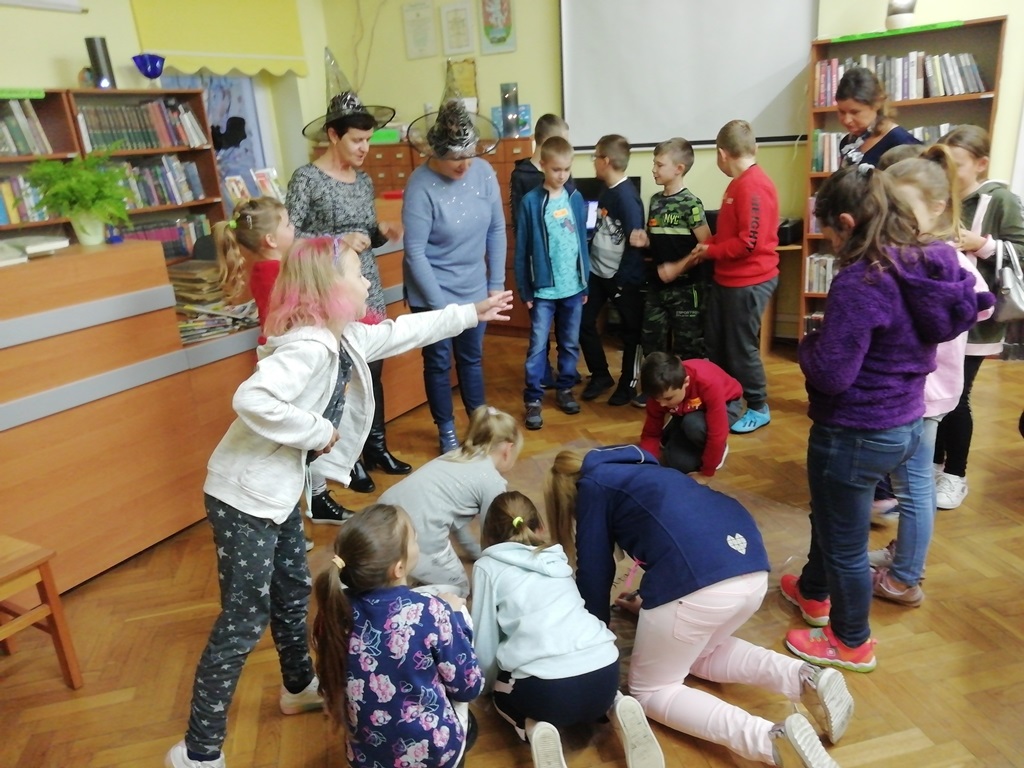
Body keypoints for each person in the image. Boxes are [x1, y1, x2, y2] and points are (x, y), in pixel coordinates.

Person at [165, 240, 512, 768]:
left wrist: (469, 313)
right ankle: (198, 751)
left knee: (291, 592)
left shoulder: (341, 336)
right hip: (241, 497)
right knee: (242, 621)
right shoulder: (307, 347)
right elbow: (250, 398)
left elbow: (399, 332)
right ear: (328, 287)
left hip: (276, 493)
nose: (368, 281)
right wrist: (317, 431)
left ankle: (298, 686)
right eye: (357, 273)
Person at [781, 165, 990, 673]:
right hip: (905, 422)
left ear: (847, 223)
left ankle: (850, 640)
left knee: (845, 542)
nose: (830, 245)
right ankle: (813, 590)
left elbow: (832, 374)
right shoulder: (925, 263)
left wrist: (809, 343)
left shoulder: (863, 279)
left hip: (854, 430)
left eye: (828, 234)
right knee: (833, 518)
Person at [545, 446, 855, 768]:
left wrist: (593, 632)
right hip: (751, 568)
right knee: (701, 651)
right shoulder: (649, 470)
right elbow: (682, 534)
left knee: (652, 690)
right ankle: (804, 677)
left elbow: (595, 572)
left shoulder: (592, 485)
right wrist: (651, 605)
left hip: (700, 589)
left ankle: (769, 739)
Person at [866, 146, 993, 607]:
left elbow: (982, 307)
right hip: (923, 391)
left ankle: (904, 577)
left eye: (902, 209)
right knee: (912, 482)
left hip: (920, 393)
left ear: (937, 208)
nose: (892, 219)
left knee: (914, 485)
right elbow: (982, 306)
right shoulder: (945, 261)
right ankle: (904, 558)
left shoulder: (934, 261)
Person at [471, 490, 664, 768]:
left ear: (489, 534)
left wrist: (484, 683)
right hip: (606, 672)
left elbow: (485, 638)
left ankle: (534, 727)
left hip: (548, 694)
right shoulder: (555, 558)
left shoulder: (487, 567)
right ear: (539, 526)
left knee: (500, 696)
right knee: (586, 682)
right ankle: (616, 704)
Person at [287, 85, 411, 502]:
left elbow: (366, 233)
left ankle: (376, 447)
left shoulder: (364, 180)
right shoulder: (306, 179)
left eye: (368, 140)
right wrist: (338, 240)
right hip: (328, 293)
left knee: (373, 370)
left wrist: (381, 232)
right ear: (333, 135)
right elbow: (291, 240)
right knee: (341, 377)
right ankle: (348, 456)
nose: (365, 149)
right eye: (357, 140)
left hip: (365, 287)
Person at [312, 504, 483, 768]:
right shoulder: (431, 611)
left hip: (367, 756)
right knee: (469, 721)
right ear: (399, 568)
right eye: (413, 538)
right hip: (432, 755)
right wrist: (457, 617)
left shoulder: (333, 610)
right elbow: (468, 687)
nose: (417, 539)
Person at [212, 197, 320, 549]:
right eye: (288, 224)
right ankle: (292, 525)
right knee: (289, 449)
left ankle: (297, 520)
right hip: (287, 364)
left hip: (282, 359)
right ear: (271, 239)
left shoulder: (269, 268)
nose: (294, 229)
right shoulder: (274, 273)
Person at [404, 98, 507, 454]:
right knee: (437, 361)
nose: (465, 164)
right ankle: (446, 430)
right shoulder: (420, 185)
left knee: (471, 359)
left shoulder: (484, 173)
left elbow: (496, 229)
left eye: (470, 154)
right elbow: (415, 252)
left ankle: (479, 427)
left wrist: (495, 286)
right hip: (433, 291)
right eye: (455, 157)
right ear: (436, 152)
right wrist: (442, 309)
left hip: (474, 288)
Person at [933, 124, 1024, 508]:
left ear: (981, 164)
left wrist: (982, 245)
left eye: (957, 164)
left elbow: (1021, 252)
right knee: (937, 394)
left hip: (979, 319)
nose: (949, 172)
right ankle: (935, 465)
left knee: (958, 395)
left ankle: (956, 475)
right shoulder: (940, 196)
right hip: (944, 314)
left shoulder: (1000, 199)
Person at [691, 120, 780, 434]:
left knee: (741, 348)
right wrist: (711, 244)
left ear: (721, 153)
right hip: (727, 280)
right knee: (716, 344)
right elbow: (732, 234)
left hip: (749, 282)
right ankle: (724, 397)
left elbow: (748, 244)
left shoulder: (753, 186)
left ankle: (758, 405)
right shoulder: (737, 184)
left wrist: (711, 251)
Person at [378, 406, 522, 597]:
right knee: (459, 590)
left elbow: (454, 520)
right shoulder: (492, 482)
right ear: (508, 449)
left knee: (403, 564)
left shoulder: (456, 456)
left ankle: (405, 577)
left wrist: (473, 551)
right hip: (418, 535)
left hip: (381, 515)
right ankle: (407, 599)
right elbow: (493, 538)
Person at [514, 135, 590, 430]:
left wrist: (585, 283)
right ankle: (533, 398)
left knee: (569, 343)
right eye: (556, 169)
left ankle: (565, 388)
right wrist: (525, 289)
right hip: (543, 290)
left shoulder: (575, 198)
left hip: (573, 288)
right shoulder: (531, 202)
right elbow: (522, 248)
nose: (562, 175)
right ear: (543, 165)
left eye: (567, 169)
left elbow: (582, 242)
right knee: (537, 346)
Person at [509, 112, 578, 391]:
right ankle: (542, 375)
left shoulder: (564, 177)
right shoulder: (523, 176)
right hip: (540, 269)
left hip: (566, 272)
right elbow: (520, 223)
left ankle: (565, 376)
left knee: (566, 330)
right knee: (540, 331)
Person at [579, 134, 647, 407]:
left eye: (594, 156)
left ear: (605, 161)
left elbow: (635, 243)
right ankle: (600, 375)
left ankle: (628, 384)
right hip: (598, 273)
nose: (593, 162)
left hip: (621, 279)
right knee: (583, 322)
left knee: (632, 331)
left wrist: (620, 281)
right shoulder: (606, 190)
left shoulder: (627, 198)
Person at [630, 137, 712, 360]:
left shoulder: (691, 204)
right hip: (657, 288)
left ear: (679, 169)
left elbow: (706, 247)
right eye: (654, 164)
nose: (653, 170)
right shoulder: (655, 201)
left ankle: (690, 383)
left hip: (686, 290)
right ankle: (656, 383)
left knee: (688, 346)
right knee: (651, 343)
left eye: (659, 165)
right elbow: (660, 240)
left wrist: (677, 268)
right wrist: (646, 241)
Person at [638, 351, 743, 477]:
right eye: (657, 400)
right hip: (689, 407)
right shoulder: (659, 392)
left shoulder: (708, 383)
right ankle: (676, 427)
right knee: (678, 464)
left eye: (668, 398)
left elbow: (717, 434)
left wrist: (707, 472)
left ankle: (721, 449)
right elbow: (651, 433)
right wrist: (647, 466)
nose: (662, 404)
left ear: (686, 382)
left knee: (693, 424)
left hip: (727, 403)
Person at [835, 67, 921, 169]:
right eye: (842, 112)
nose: (846, 120)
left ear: (877, 104)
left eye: (855, 112)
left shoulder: (902, 142)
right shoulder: (846, 143)